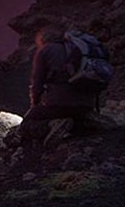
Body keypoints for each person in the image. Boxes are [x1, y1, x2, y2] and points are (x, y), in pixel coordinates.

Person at [18, 26, 101, 156]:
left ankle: (53, 124)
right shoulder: (77, 49)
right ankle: (87, 122)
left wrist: (35, 105)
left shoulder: (45, 50)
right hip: (86, 103)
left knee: (27, 124)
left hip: (59, 103)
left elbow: (37, 83)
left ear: (43, 39)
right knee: (76, 119)